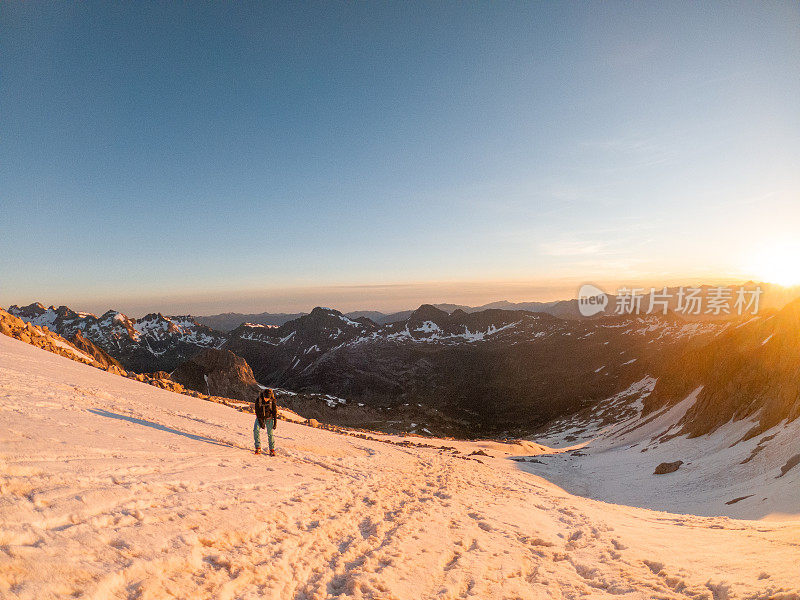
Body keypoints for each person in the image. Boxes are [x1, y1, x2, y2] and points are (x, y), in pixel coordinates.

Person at [254, 388, 278, 456]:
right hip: (260, 417)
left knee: (270, 434)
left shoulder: (272, 401)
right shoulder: (259, 400)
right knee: (256, 430)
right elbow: (257, 412)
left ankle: (272, 449)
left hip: (269, 418)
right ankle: (258, 447)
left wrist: (275, 422)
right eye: (265, 398)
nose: (266, 399)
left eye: (268, 398)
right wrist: (261, 422)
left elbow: (274, 412)